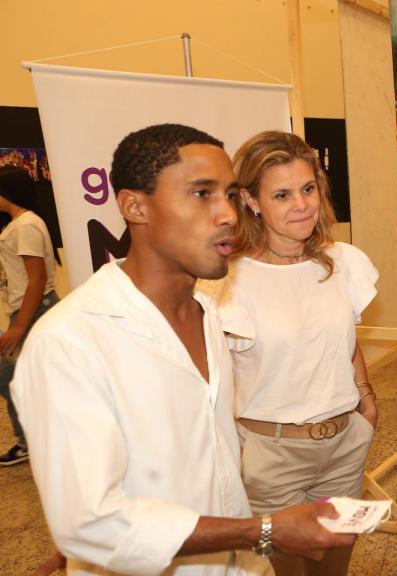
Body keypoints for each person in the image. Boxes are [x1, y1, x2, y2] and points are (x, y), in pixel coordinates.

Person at [13, 123, 354, 575]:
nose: (228, 214)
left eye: (230, 194)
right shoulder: (70, 341)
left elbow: (204, 460)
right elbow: (89, 521)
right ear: (135, 206)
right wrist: (260, 531)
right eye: (201, 194)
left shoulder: (209, 316)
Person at [208, 130, 378, 576]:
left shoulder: (342, 262)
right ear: (251, 201)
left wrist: (365, 399)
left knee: (334, 566)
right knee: (288, 572)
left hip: (343, 445)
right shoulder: (229, 280)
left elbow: (344, 340)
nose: (301, 204)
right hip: (274, 456)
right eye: (282, 194)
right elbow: (211, 378)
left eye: (308, 189)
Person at [0, 166, 60, 465]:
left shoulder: (25, 225)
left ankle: (31, 442)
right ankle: (32, 440)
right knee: (16, 379)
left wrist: (20, 325)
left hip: (34, 311)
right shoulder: (21, 223)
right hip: (27, 310)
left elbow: (36, 279)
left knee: (14, 379)